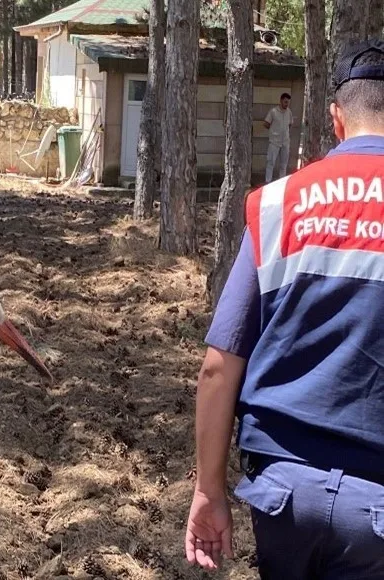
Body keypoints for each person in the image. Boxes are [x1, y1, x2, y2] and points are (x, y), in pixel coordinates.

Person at [185, 38, 384, 578]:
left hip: (283, 493)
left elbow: (217, 367)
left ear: (336, 119)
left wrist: (208, 488)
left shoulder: (277, 204)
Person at [263, 92, 293, 183]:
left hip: (285, 142)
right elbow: (266, 123)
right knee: (270, 162)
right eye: (285, 102)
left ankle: (281, 182)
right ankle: (268, 181)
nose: (286, 104)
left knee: (283, 164)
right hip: (274, 142)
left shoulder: (289, 112)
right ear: (281, 101)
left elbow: (290, 124)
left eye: (288, 102)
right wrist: (274, 132)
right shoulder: (273, 112)